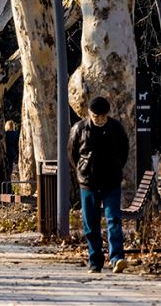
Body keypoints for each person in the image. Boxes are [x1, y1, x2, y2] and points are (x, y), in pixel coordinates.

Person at [68, 96, 130, 274]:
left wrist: (116, 168)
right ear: (89, 113)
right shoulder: (79, 129)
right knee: (90, 223)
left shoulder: (116, 128)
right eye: (96, 116)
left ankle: (117, 258)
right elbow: (72, 154)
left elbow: (123, 152)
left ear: (107, 115)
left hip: (111, 182)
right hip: (88, 183)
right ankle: (95, 261)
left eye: (103, 117)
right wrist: (83, 171)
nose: (99, 120)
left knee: (114, 219)